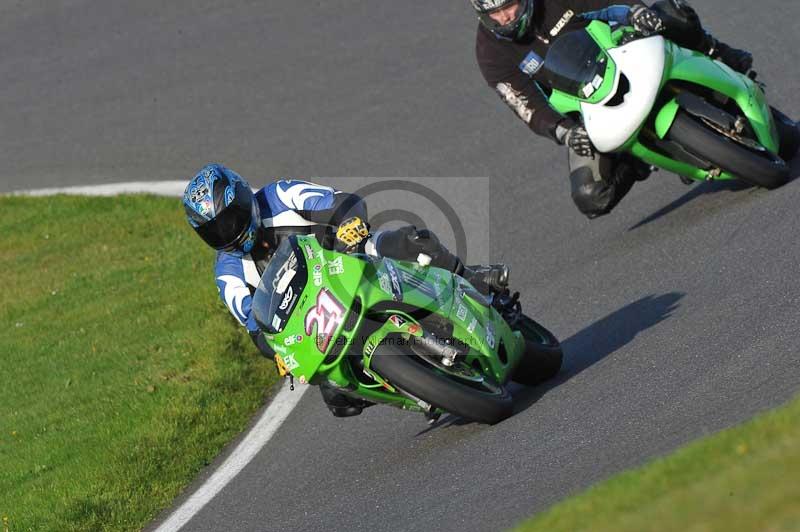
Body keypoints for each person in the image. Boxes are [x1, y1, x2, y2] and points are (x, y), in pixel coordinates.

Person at [182, 163, 509, 417]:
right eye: (216, 232)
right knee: (337, 397)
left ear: (243, 198)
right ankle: (419, 388)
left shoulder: (278, 195)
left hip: (351, 258)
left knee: (409, 242)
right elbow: (257, 331)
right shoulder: (228, 275)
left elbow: (340, 202)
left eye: (231, 219)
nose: (231, 234)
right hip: (318, 319)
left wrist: (347, 225)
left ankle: (471, 278)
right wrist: (278, 354)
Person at [470, 0, 755, 218]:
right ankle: (636, 156)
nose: (506, 17)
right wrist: (563, 131)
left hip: (623, 53)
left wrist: (635, 10)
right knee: (591, 196)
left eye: (511, 5)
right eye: (496, 13)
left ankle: (717, 53)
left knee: (670, 12)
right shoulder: (490, 53)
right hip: (588, 109)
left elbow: (608, 1)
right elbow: (524, 104)